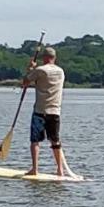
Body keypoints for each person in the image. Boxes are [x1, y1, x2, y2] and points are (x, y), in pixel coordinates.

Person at [23, 46, 78, 178]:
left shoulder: (40, 70)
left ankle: (35, 169)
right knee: (55, 141)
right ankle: (60, 170)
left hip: (40, 111)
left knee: (35, 141)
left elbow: (25, 82)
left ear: (44, 58)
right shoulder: (61, 71)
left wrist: (30, 69)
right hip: (55, 111)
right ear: (54, 58)